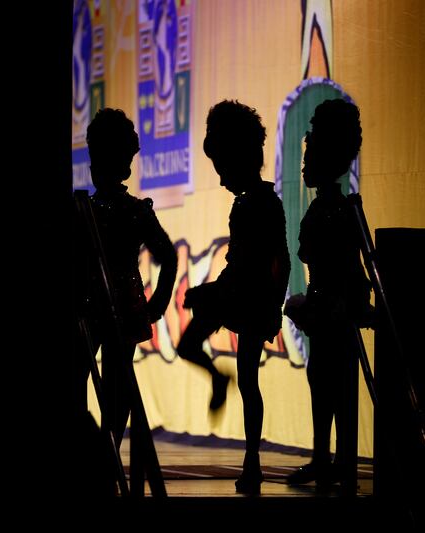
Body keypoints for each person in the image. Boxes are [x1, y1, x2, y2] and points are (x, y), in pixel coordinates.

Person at [176, 100, 290, 494]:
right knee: (193, 347)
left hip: (251, 296)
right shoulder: (248, 201)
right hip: (237, 289)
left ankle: (252, 459)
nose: (221, 178)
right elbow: (246, 260)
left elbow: (272, 259)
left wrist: (272, 305)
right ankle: (218, 381)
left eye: (223, 169)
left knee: (248, 378)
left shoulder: (262, 202)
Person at [73, 108, 178, 482]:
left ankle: (104, 458)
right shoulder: (85, 209)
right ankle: (96, 456)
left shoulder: (130, 210)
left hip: (114, 309)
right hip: (93, 308)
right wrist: (156, 304)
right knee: (100, 384)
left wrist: (157, 304)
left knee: (116, 389)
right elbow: (168, 256)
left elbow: (168, 256)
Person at [284, 99, 373, 495]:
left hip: (334, 307)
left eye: (310, 155)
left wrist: (345, 304)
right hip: (325, 304)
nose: (304, 164)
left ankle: (339, 459)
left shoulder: (337, 208)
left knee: (335, 386)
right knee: (323, 382)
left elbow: (351, 262)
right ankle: (327, 456)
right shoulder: (328, 206)